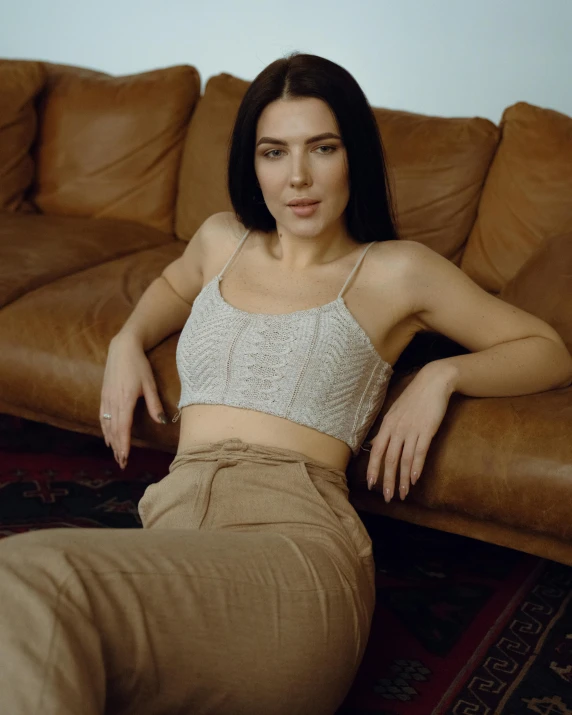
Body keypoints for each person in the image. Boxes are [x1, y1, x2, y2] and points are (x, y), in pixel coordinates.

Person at [4, 49, 568, 715]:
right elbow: (171, 285)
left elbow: (546, 348)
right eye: (274, 152)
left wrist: (441, 375)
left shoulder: (396, 272)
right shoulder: (221, 240)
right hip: (176, 537)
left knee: (33, 582)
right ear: (253, 163)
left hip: (294, 560)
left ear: (352, 153)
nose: (297, 176)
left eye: (321, 148)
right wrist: (127, 338)